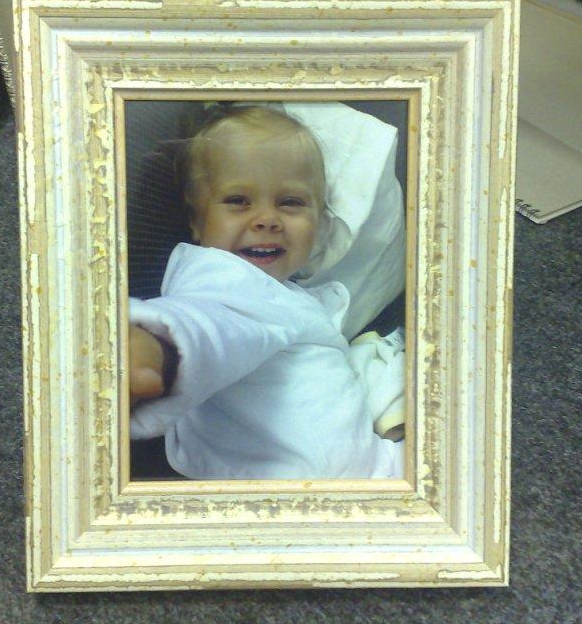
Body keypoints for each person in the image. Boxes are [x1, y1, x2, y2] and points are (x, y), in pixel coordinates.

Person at [128, 105, 405, 480]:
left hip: (368, 466)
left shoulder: (292, 296)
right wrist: (156, 348)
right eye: (238, 201)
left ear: (320, 224)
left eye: (290, 202)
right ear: (196, 219)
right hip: (299, 486)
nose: (267, 219)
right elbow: (215, 322)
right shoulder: (221, 276)